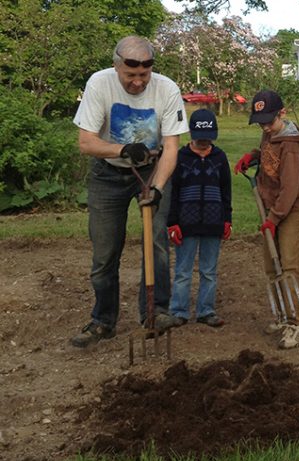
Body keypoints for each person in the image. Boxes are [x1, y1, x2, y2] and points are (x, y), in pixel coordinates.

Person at [70, 36, 188, 348]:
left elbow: (172, 148)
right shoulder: (99, 84)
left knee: (157, 242)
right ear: (116, 66)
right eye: (130, 75)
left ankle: (154, 312)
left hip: (151, 171)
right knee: (105, 252)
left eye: (144, 75)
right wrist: (123, 148)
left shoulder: (167, 89)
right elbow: (86, 142)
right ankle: (103, 320)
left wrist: (158, 188)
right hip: (107, 175)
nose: (138, 82)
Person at [234, 90, 299, 349]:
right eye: (261, 121)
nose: (265, 126)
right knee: (271, 266)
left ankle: (297, 324)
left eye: (269, 121)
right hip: (271, 208)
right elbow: (268, 154)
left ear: (282, 113)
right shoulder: (270, 134)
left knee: (289, 267)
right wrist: (254, 155)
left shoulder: (290, 145)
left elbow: (289, 190)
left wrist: (274, 219)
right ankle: (282, 315)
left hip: (290, 211)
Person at [167, 109, 232, 327]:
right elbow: (173, 193)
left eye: (208, 138)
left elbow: (226, 191)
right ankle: (178, 311)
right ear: (190, 134)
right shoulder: (180, 158)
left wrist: (227, 219)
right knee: (183, 272)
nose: (204, 142)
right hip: (186, 224)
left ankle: (206, 311)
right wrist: (172, 222)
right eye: (200, 137)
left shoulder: (220, 158)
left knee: (209, 271)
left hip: (213, 223)